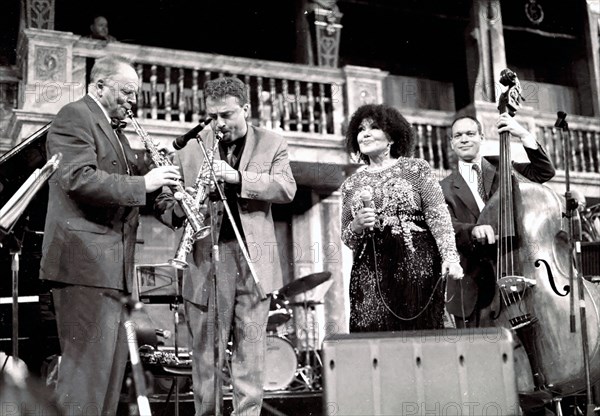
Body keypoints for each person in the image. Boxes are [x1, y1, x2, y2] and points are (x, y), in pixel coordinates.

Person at [39, 55, 181, 415]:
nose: (132, 101)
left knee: (109, 378)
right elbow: (77, 178)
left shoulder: (116, 132)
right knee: (86, 376)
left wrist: (157, 179)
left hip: (113, 271)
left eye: (135, 94)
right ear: (99, 85)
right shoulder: (75, 116)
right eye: (126, 92)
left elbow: (125, 187)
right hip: (84, 265)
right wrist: (143, 181)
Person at [155, 76, 297, 416]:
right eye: (213, 116)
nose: (219, 124)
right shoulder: (190, 147)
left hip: (253, 261)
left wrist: (238, 178)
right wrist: (179, 205)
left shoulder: (273, 142)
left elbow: (286, 188)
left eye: (228, 115)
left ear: (245, 109)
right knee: (206, 354)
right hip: (205, 260)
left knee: (251, 352)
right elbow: (162, 203)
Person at [340, 104, 463, 333]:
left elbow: (438, 215)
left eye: (374, 128)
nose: (365, 133)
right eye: (360, 129)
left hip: (417, 264)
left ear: (392, 138)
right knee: (372, 337)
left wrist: (450, 257)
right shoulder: (350, 185)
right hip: (369, 272)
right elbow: (347, 238)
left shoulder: (416, 169)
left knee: (419, 334)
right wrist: (356, 226)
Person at [440, 115, 555, 328]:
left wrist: (523, 134)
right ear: (452, 144)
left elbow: (544, 172)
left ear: (481, 137)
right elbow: (447, 226)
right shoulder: (443, 187)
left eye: (470, 133)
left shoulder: (504, 167)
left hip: (517, 272)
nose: (464, 139)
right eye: (458, 136)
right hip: (473, 285)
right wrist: (473, 230)